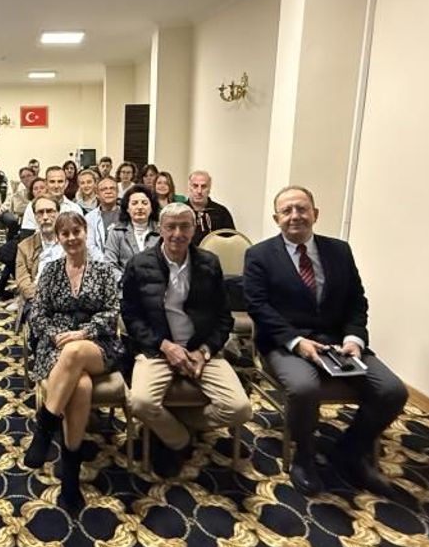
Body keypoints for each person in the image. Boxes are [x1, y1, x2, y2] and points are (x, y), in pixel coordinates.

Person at [243, 186, 408, 496]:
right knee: (304, 388)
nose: (295, 216)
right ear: (276, 219)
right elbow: (259, 307)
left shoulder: (339, 251)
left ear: (315, 214)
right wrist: (297, 342)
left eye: (302, 209)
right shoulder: (259, 255)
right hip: (285, 343)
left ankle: (350, 450)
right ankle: (304, 456)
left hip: (338, 343)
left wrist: (354, 339)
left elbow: (356, 301)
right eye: (287, 211)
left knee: (392, 391)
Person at [123, 203, 252, 478]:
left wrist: (204, 352)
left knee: (240, 409)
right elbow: (131, 317)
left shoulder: (209, 263)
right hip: (157, 349)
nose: (177, 234)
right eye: (171, 227)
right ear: (160, 229)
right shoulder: (139, 264)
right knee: (140, 403)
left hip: (199, 349)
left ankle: (176, 423)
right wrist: (165, 346)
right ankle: (180, 439)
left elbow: (223, 317)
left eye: (185, 227)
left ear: (194, 230)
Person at [23, 212, 125, 510]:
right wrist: (55, 335)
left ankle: (45, 425)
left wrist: (83, 332)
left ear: (86, 232)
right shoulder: (51, 271)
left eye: (76, 231)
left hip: (97, 344)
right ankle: (70, 477)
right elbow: (37, 314)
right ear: (58, 238)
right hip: (56, 345)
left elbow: (112, 312)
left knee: (75, 352)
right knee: (80, 386)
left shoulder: (103, 271)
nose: (71, 238)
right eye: (64, 233)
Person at [14, 196, 65, 303]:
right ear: (35, 217)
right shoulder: (24, 247)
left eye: (50, 211)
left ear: (58, 214)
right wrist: (40, 297)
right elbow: (23, 280)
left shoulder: (72, 241)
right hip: (36, 297)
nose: (45, 217)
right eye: (40, 212)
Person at [104, 185, 160, 278]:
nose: (140, 207)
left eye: (144, 203)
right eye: (134, 203)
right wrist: (124, 281)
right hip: (124, 283)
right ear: (127, 208)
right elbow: (109, 263)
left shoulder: (161, 232)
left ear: (151, 208)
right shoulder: (117, 232)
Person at [19, 166, 82, 232]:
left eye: (60, 181)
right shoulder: (33, 206)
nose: (56, 186)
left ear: (66, 184)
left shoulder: (75, 209)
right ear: (46, 183)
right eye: (52, 182)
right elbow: (27, 235)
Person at [186, 170, 236, 246]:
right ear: (189, 187)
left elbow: (231, 242)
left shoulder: (221, 212)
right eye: (195, 186)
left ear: (209, 188)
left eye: (203, 186)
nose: (199, 191)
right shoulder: (180, 212)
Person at [84, 176, 121, 260]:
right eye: (104, 189)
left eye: (112, 188)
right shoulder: (89, 218)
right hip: (101, 262)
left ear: (117, 192)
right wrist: (106, 262)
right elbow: (90, 246)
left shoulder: (128, 214)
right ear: (97, 194)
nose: (108, 191)